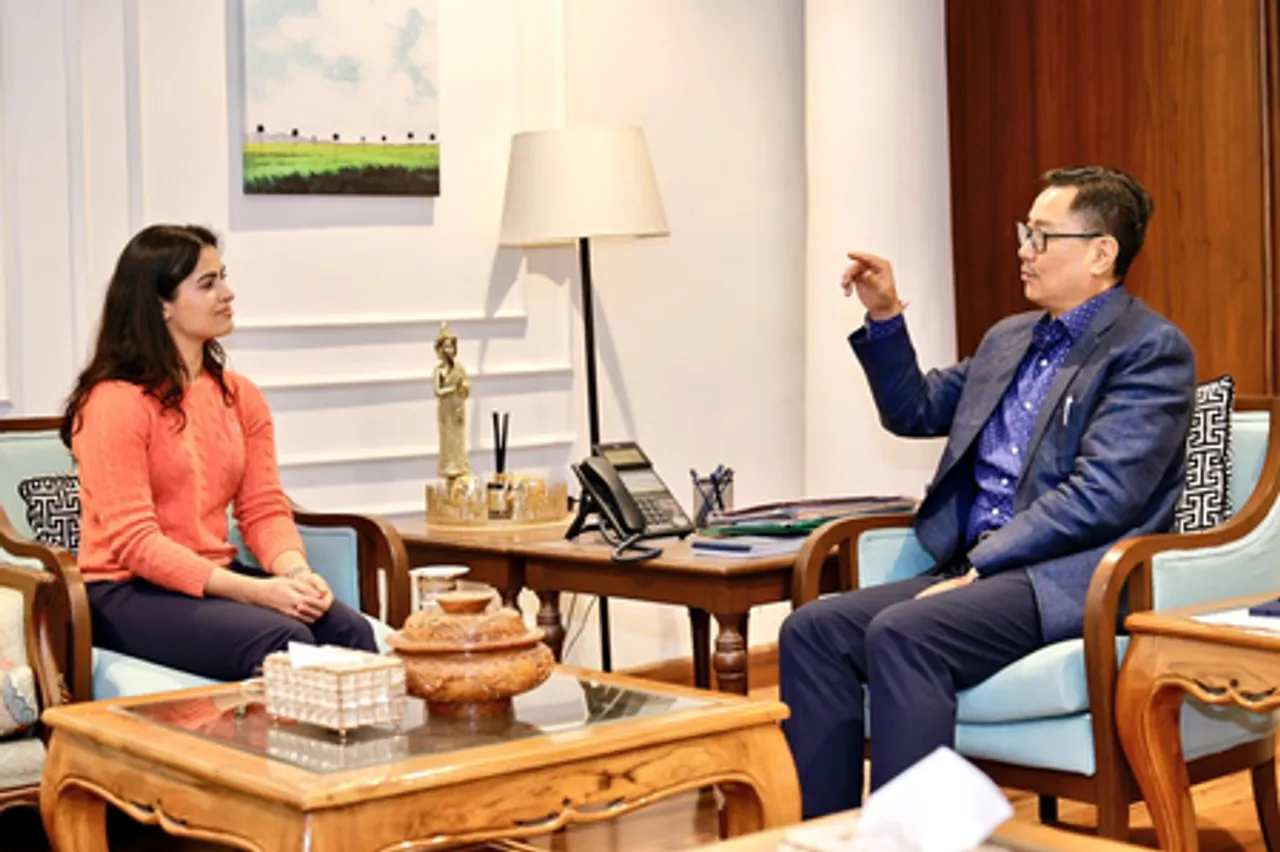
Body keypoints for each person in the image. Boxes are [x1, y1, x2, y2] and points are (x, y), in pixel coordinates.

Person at [779, 165, 1196, 817]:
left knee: (906, 632)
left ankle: (912, 843)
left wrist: (986, 562)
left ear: (1100, 252)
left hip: (1063, 578)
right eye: (1023, 232)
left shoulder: (1148, 350)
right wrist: (885, 316)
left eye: (1040, 236)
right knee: (813, 629)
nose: (1023, 250)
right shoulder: (1011, 340)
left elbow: (1102, 495)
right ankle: (824, 833)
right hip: (976, 569)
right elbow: (913, 409)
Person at [61, 224, 378, 682]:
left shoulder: (239, 396)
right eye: (207, 284)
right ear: (160, 304)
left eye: (223, 277)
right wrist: (254, 593)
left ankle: (359, 755)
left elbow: (263, 507)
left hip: (212, 578)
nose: (227, 293)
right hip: (126, 592)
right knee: (280, 641)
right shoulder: (113, 402)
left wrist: (295, 575)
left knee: (348, 631)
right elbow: (135, 544)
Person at [433, 323, 472, 480]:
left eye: (451, 347)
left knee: (458, 437)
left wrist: (462, 388)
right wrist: (451, 389)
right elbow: (438, 390)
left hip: (457, 407)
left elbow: (465, 387)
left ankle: (460, 464)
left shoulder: (459, 369)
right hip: (445, 409)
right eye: (446, 347)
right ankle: (449, 465)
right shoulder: (439, 371)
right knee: (447, 438)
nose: (449, 351)